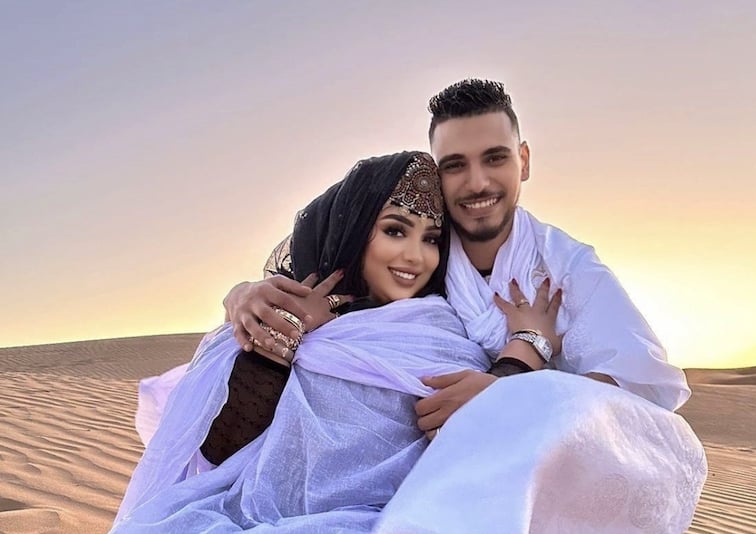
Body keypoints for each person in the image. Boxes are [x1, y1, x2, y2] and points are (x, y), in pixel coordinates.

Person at [222, 79, 707, 532]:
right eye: (455, 165)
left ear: (524, 161)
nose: (477, 183)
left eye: (495, 158)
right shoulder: (423, 250)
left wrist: (507, 396)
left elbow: (637, 394)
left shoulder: (567, 269)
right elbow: (336, 265)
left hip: (525, 494)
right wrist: (245, 294)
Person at [114, 151, 528, 531]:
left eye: (431, 238)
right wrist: (281, 336)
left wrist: (526, 348)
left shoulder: (448, 329)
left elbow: (499, 441)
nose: (416, 257)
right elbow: (220, 454)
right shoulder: (270, 313)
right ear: (354, 230)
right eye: (395, 230)